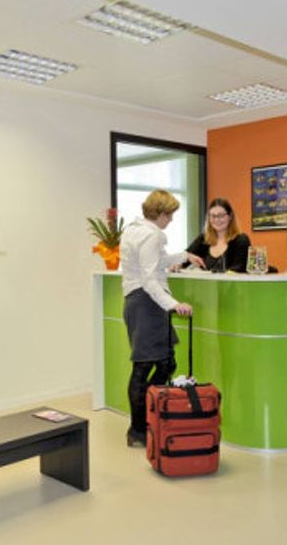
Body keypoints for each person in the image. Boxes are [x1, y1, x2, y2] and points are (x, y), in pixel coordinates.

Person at [120, 189, 205, 447]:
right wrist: (174, 304)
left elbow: (156, 262)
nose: (171, 220)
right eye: (170, 215)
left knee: (165, 363)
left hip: (138, 302)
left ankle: (146, 417)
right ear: (161, 213)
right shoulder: (152, 235)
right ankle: (138, 429)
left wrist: (185, 256)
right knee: (145, 367)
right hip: (147, 303)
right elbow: (150, 279)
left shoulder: (135, 230)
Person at [186, 198, 251, 273]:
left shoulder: (241, 240)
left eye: (221, 216)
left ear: (230, 216)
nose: (217, 220)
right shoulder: (204, 239)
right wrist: (183, 260)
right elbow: (186, 257)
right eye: (213, 216)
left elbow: (239, 268)